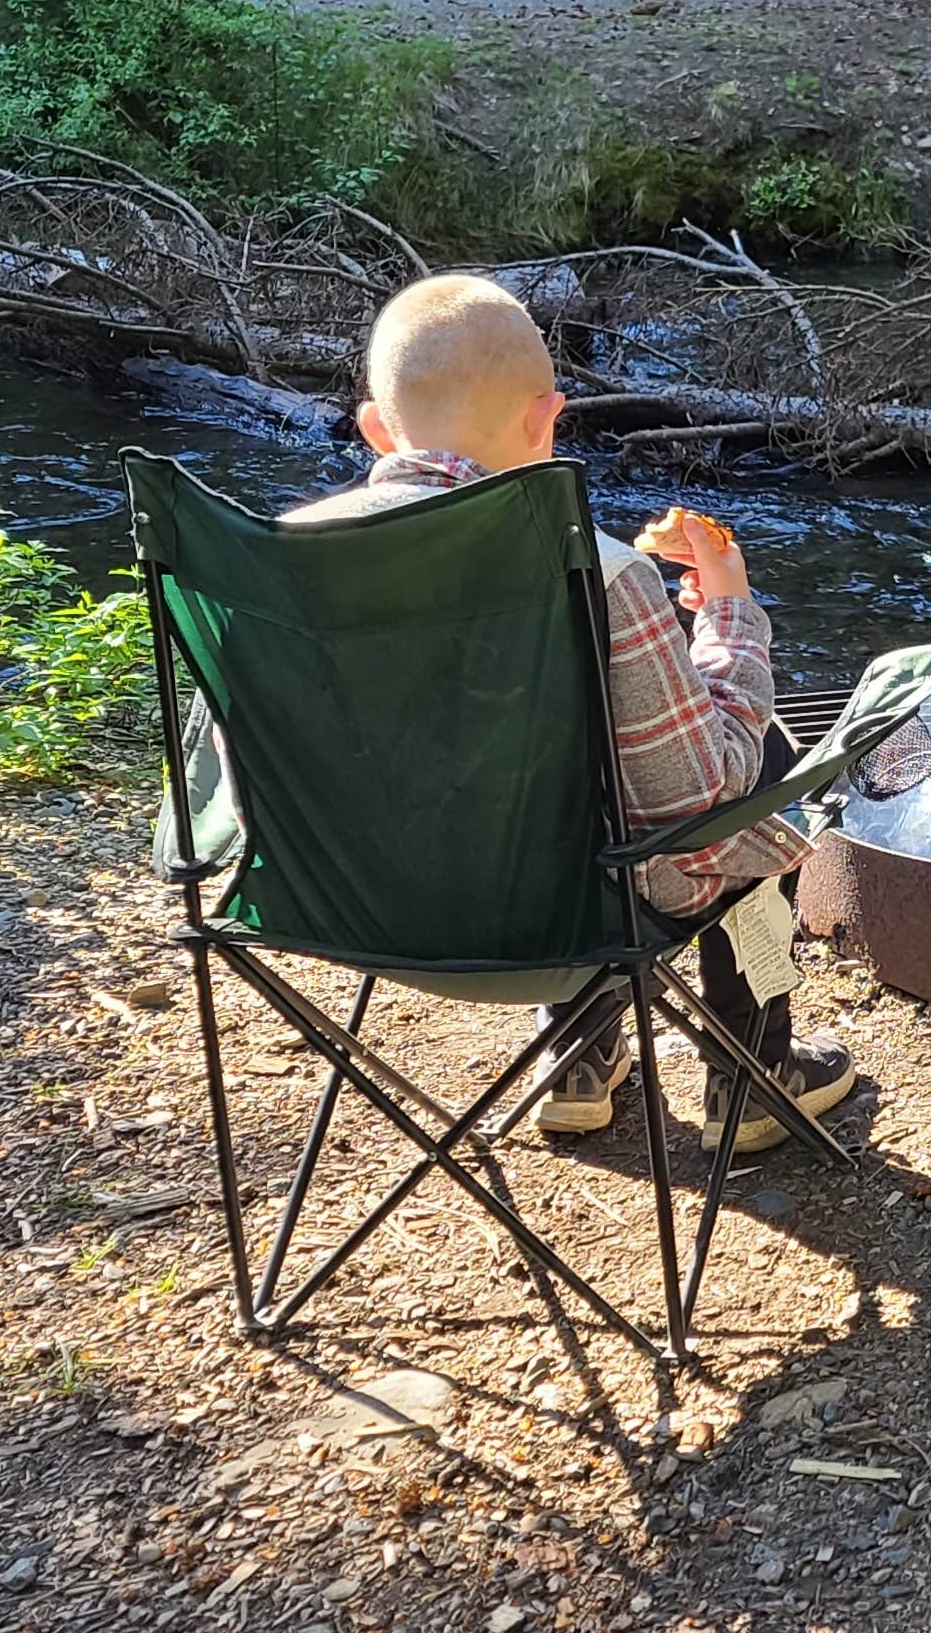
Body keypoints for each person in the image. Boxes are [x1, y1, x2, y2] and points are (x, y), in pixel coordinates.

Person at [292, 273, 849, 1149]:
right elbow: (695, 794)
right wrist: (730, 617)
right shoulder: (601, 571)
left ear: (372, 425)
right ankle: (751, 1079)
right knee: (765, 764)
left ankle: (578, 1059)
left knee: (529, 787)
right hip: (568, 916)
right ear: (545, 420)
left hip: (345, 910)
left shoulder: (284, 556)